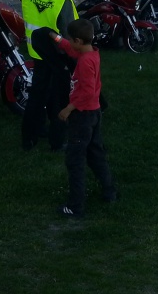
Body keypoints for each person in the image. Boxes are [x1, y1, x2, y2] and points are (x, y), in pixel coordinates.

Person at [56, 19, 117, 218]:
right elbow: (71, 49)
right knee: (96, 153)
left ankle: (75, 206)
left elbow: (88, 92)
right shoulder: (91, 53)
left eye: (70, 40)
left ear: (78, 40)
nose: (69, 42)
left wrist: (68, 108)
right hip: (94, 114)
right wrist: (56, 38)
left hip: (82, 116)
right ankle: (109, 191)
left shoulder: (84, 63)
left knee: (75, 160)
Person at [21, 0, 79, 151]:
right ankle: (57, 141)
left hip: (37, 52)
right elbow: (70, 29)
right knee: (60, 99)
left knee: (36, 96)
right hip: (57, 55)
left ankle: (29, 138)